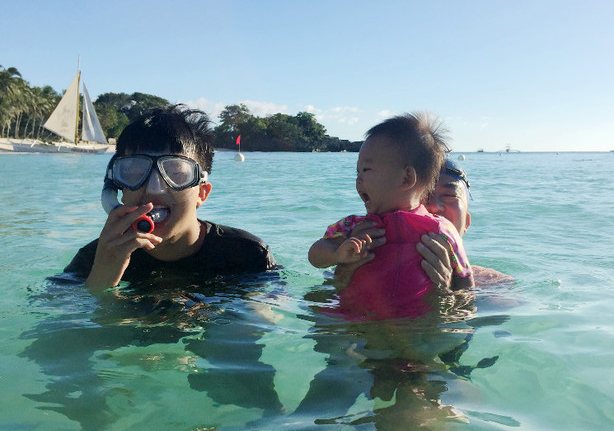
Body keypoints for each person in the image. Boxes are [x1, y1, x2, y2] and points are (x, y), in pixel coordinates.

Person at [64, 105, 278, 288]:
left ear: (201, 194)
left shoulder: (248, 256)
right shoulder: (94, 260)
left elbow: (268, 321)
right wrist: (101, 280)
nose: (154, 189)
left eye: (176, 173)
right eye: (136, 173)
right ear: (117, 191)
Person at [308, 112, 473, 319]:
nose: (358, 180)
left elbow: (466, 283)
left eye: (366, 170)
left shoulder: (443, 231)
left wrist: (448, 292)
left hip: (414, 328)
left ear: (406, 178)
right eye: (357, 172)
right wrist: (337, 255)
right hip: (355, 321)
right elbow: (315, 252)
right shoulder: (355, 226)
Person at [419, 159, 514, 288]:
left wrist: (455, 291)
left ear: (466, 223)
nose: (434, 206)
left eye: (449, 195)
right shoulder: (381, 269)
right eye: (423, 195)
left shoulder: (494, 283)